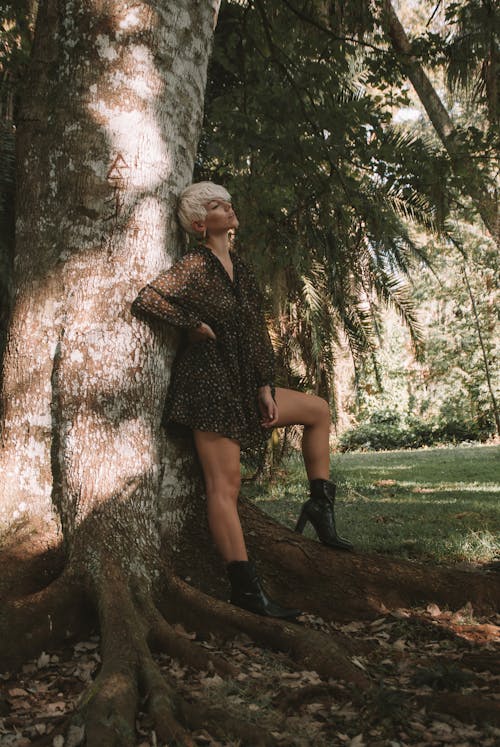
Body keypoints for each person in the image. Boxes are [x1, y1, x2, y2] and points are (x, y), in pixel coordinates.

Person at [132, 181, 353, 620]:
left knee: (317, 410)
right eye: (217, 205)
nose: (228, 208)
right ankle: (246, 590)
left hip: (242, 384)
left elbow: (255, 335)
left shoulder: (241, 268)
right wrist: (192, 323)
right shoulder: (194, 265)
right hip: (207, 387)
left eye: (227, 201)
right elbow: (148, 298)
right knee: (224, 487)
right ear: (200, 223)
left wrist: (265, 386)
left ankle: (319, 504)